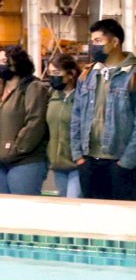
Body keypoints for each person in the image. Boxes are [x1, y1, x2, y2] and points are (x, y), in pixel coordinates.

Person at [70, 18, 136, 201]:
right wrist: (78, 156)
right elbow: (76, 116)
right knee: (92, 215)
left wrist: (126, 162)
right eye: (92, 42)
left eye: (98, 41)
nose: (93, 46)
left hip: (121, 164)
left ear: (115, 42)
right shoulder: (88, 74)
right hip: (89, 161)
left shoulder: (132, 75)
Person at [0, 44, 49, 195]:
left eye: (5, 61)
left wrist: (16, 148)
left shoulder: (34, 87)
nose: (1, 65)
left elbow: (35, 122)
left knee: (23, 205)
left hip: (26, 161)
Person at [45, 54, 81, 198]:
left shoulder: (82, 97)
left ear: (71, 74)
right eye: (50, 73)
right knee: (63, 202)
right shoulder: (51, 96)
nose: (53, 77)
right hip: (57, 163)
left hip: (77, 163)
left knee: (74, 201)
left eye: (56, 73)